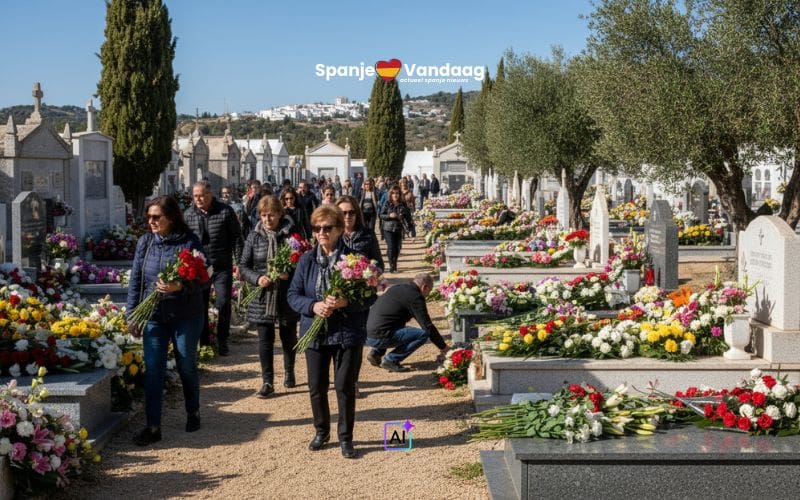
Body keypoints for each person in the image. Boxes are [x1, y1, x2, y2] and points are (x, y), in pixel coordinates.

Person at [288, 206, 374, 459]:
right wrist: (313, 306)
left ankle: (346, 437)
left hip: (347, 331)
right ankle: (321, 431)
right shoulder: (306, 260)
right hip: (315, 332)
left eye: (327, 228)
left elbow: (370, 296)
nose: (321, 232)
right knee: (316, 386)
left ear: (338, 229)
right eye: (317, 228)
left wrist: (347, 303)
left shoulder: (354, 260)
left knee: (344, 386)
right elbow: (293, 295)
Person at [127, 196, 208, 445]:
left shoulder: (189, 242)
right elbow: (136, 281)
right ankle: (153, 427)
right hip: (154, 317)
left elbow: (203, 279)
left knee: (186, 366)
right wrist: (132, 313)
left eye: (156, 217)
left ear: (170, 218)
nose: (151, 222)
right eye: (148, 217)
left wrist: (178, 287)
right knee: (153, 372)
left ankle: (193, 411)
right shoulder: (145, 243)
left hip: (186, 315)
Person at [239, 196, 299, 397]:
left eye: (271, 215)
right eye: (263, 216)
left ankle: (289, 371)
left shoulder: (291, 235)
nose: (267, 219)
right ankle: (267, 381)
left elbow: (303, 260)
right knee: (265, 339)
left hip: (286, 292)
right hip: (263, 295)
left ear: (280, 214)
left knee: (288, 335)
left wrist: (288, 272)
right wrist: (257, 279)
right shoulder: (254, 236)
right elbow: (243, 266)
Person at [184, 181, 243, 355]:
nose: (198, 199)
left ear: (210, 194)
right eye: (195, 196)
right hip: (199, 268)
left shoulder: (225, 211)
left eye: (201, 195)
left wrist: (239, 263)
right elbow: (184, 242)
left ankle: (222, 339)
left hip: (221, 266)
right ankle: (204, 342)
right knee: (199, 304)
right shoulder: (188, 215)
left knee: (223, 301)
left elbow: (237, 239)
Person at [366, 273, 450, 372]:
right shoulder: (415, 297)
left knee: (394, 323)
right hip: (380, 337)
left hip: (369, 335)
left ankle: (376, 352)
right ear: (425, 287)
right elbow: (427, 326)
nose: (427, 295)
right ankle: (391, 360)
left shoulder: (397, 288)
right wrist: (444, 347)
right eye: (429, 291)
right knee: (422, 335)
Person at [336, 195, 383, 270]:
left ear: (357, 214)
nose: (347, 216)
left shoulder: (368, 234)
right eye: (343, 213)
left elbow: (379, 263)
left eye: (351, 212)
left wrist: (368, 270)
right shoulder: (333, 235)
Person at [379, 185, 411, 273]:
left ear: (399, 194)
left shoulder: (403, 204)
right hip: (387, 228)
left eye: (397, 193)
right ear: (391, 194)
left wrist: (407, 222)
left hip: (398, 228)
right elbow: (381, 215)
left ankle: (395, 264)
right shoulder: (387, 203)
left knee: (397, 248)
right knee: (391, 247)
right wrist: (389, 215)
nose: (395, 195)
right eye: (393, 193)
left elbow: (408, 216)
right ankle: (391, 266)